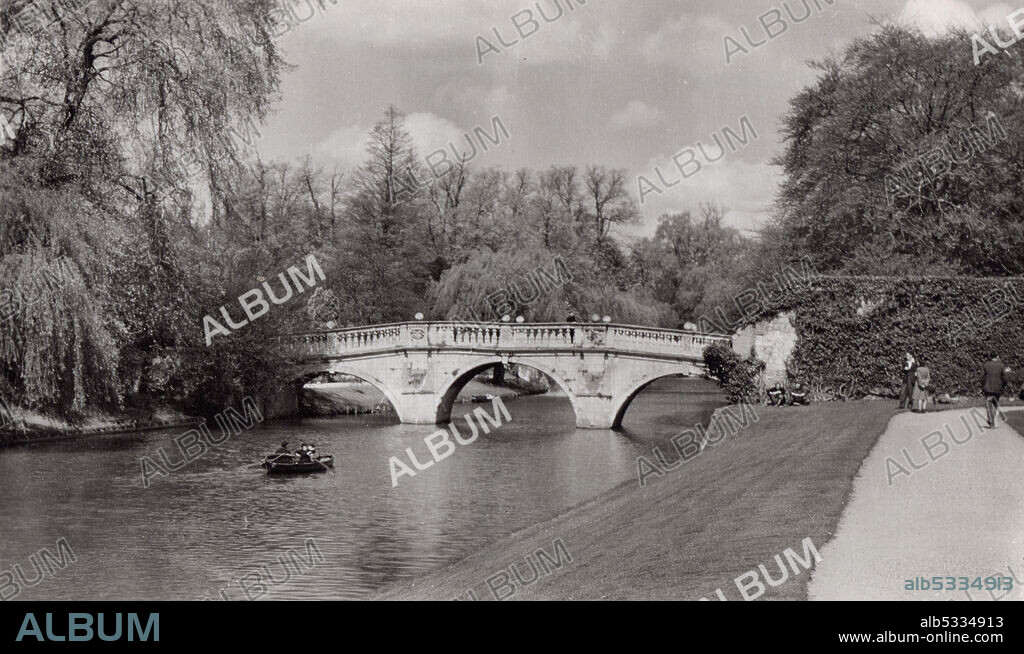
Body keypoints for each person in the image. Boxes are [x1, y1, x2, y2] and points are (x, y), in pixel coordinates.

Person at [982, 353, 1009, 428]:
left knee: (988, 404)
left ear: (990, 357)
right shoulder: (1001, 365)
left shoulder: (986, 365)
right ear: (997, 357)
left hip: (987, 387)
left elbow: (982, 377)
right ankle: (992, 421)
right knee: (995, 405)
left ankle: (990, 420)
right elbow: (1005, 378)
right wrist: (1004, 385)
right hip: (998, 388)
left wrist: (983, 385)